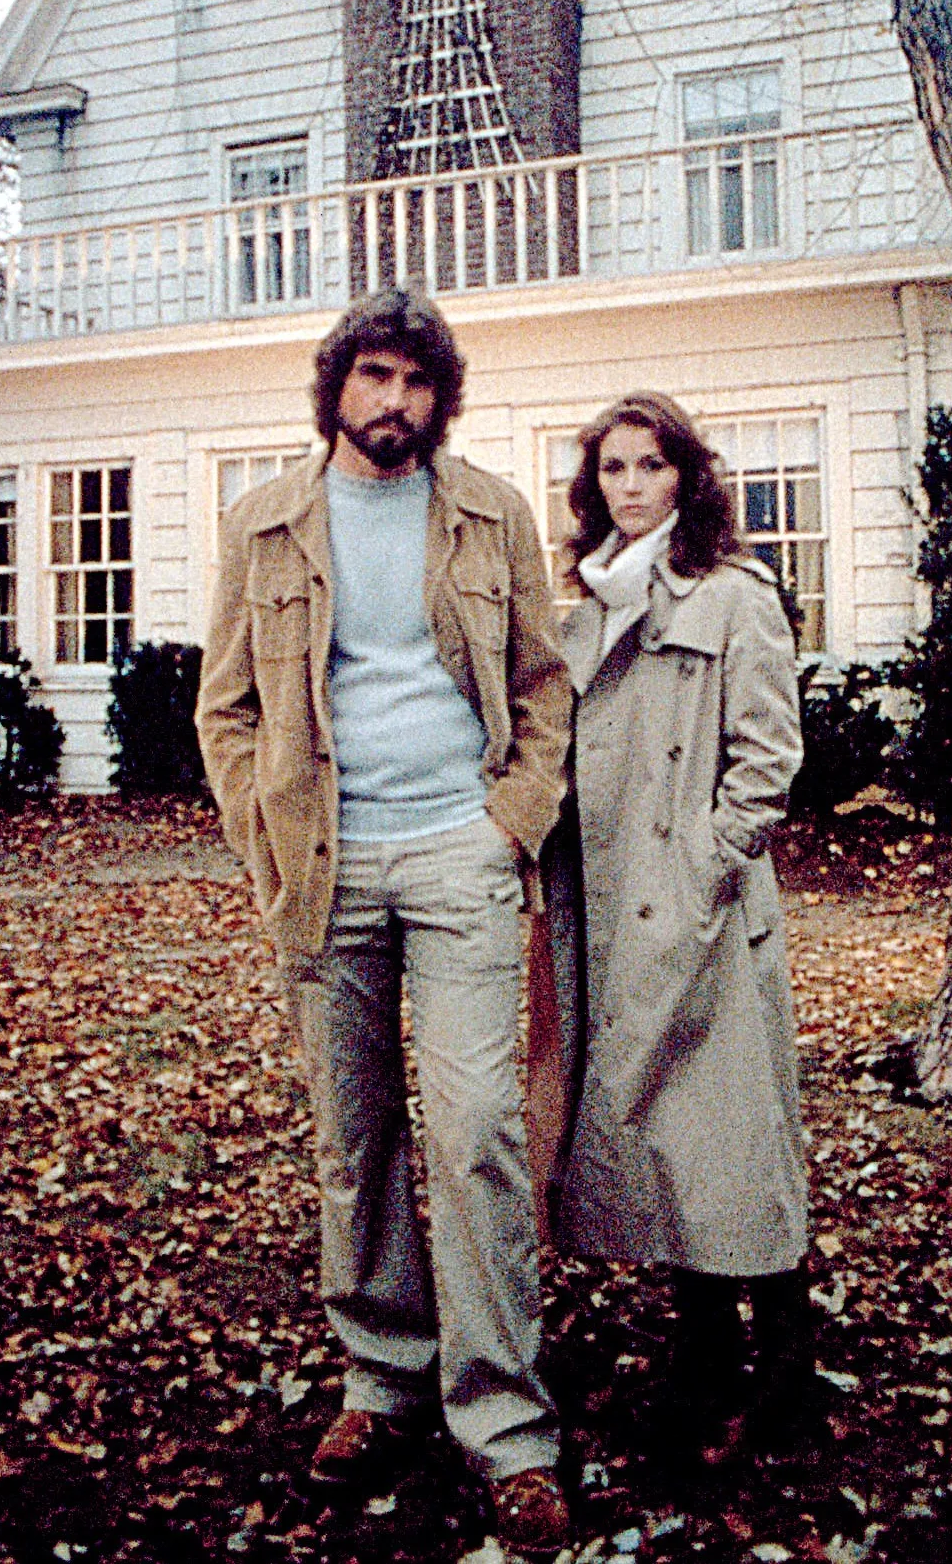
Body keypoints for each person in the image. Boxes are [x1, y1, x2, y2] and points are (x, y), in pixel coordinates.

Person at [196, 289, 572, 1555]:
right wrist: (264, 829)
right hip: (325, 867)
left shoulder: (489, 514)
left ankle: (508, 1426)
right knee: (355, 1138)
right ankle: (384, 1377)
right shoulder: (264, 524)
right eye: (373, 376)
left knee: (475, 1129)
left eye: (416, 380)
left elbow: (539, 682)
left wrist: (509, 821)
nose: (394, 402)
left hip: (460, 857)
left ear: (439, 395)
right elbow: (228, 707)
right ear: (335, 387)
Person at [542, 390, 813, 1464]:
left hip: (702, 916)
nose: (632, 484)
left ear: (687, 477)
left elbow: (769, 758)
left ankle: (787, 1367)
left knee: (737, 1145)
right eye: (614, 467)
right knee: (663, 1142)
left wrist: (705, 865)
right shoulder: (588, 609)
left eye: (651, 464)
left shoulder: (736, 594)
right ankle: (701, 1355)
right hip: (614, 912)